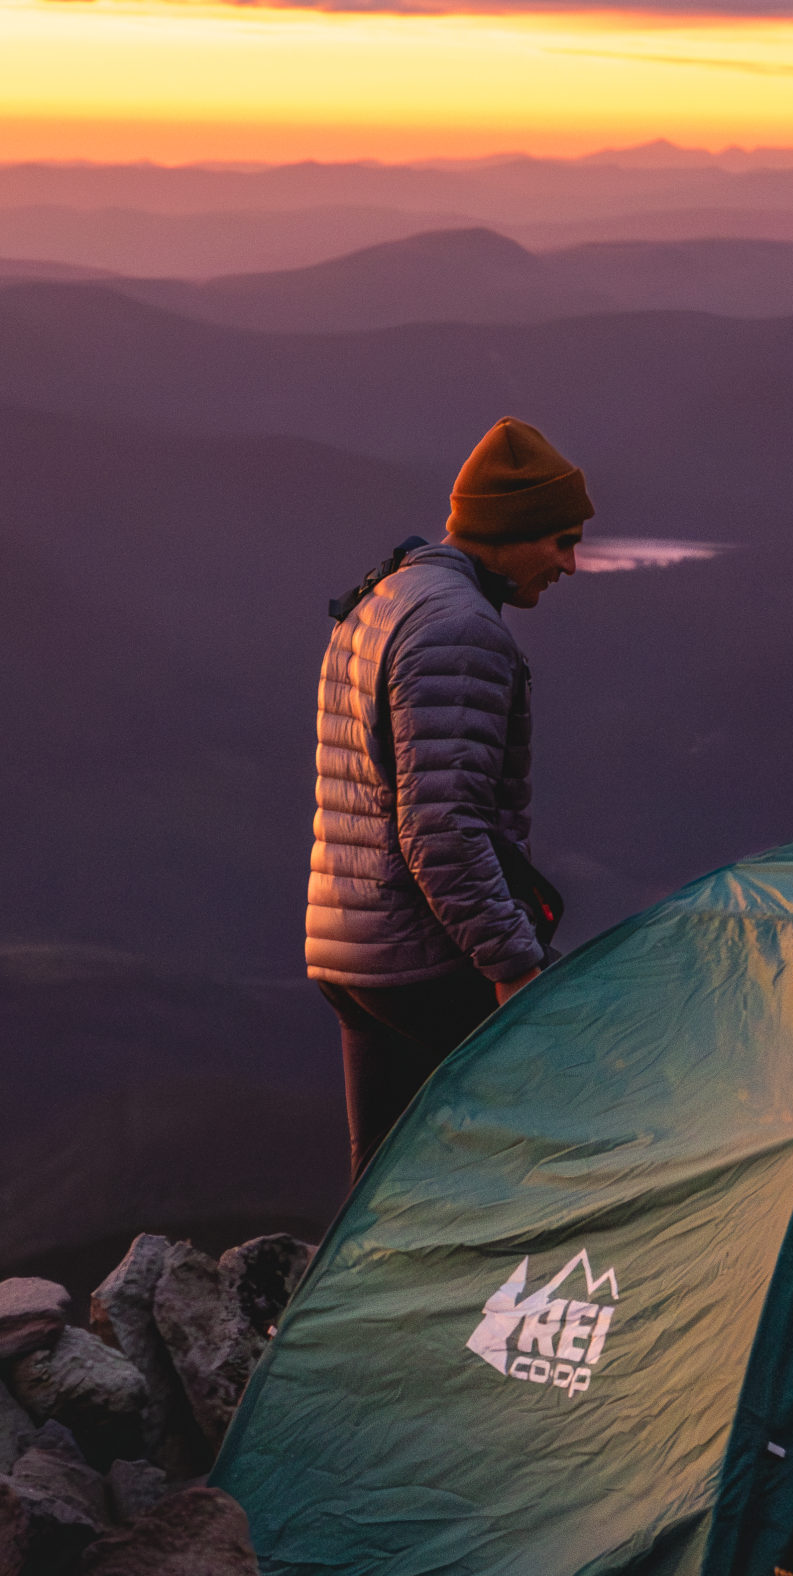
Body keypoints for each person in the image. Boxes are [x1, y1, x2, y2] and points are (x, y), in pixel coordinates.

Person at [305, 415, 594, 1180]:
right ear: (509, 529)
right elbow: (441, 825)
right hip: (426, 958)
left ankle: (365, 1303)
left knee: (388, 1187)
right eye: (559, 541)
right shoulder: (460, 628)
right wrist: (513, 966)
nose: (570, 564)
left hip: (352, 952)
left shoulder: (389, 593)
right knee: (563, 1141)